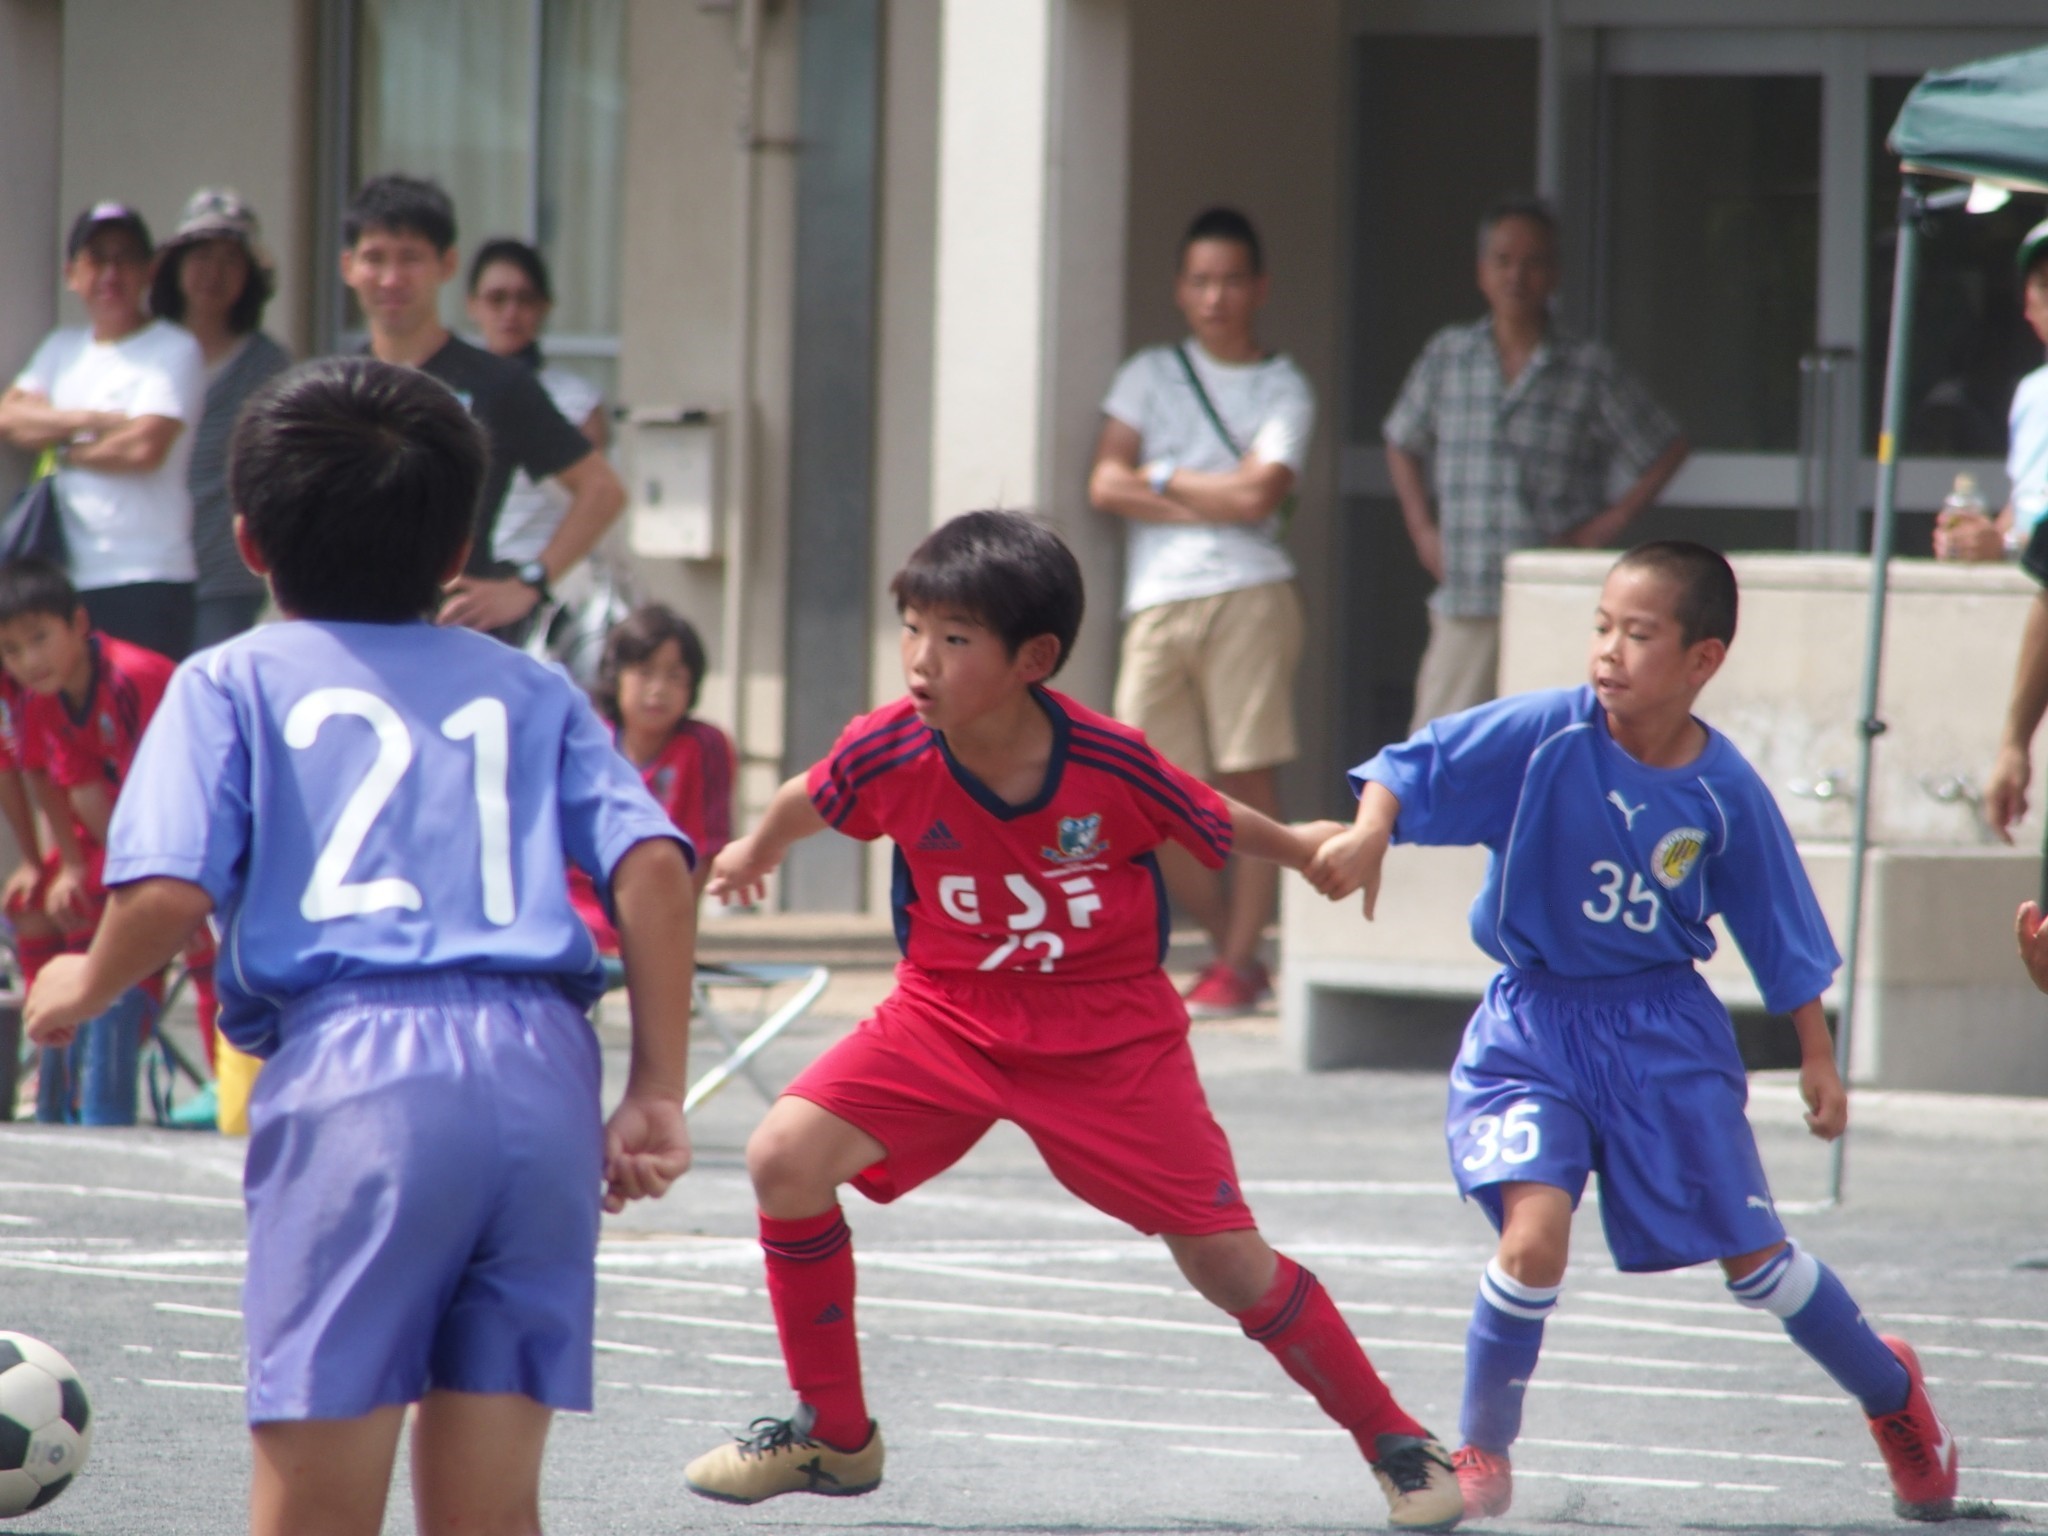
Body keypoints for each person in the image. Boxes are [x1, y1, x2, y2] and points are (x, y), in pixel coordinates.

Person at [679, 510, 1463, 1531]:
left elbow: (1213, 817)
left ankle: (1396, 1441)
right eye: (912, 627)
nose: (920, 659)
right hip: (946, 1015)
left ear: (1031, 658)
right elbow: (810, 795)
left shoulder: (1108, 761)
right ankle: (833, 1437)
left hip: (1108, 1037)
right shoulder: (886, 749)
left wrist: (1311, 846)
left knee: (1228, 1262)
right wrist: (756, 849)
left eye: (953, 639)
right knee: (783, 1154)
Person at [22, 356, 696, 1536]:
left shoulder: (223, 683)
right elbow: (653, 865)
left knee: (314, 1509)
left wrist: (85, 977)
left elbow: (170, 893)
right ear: (453, 555)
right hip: (542, 1076)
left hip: (357, 1078)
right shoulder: (530, 689)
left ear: (248, 539)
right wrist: (656, 1088)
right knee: (490, 1513)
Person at [1307, 542, 1960, 1524]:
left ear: (1701, 660)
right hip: (1530, 1024)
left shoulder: (1721, 791)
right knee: (1533, 1239)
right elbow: (1412, 766)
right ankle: (1479, 1449)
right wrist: (1367, 834)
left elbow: (1777, 925)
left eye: (1637, 634)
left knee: (1758, 1269)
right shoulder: (1544, 733)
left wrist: (1815, 1058)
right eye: (1600, 626)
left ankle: (1890, 1395)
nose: (1608, 651)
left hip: (1662, 1035)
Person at [1088, 207, 1310, 1017]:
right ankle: (1229, 949)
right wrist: (1207, 494)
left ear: (1259, 289)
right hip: (1157, 599)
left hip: (1251, 592)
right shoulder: (1149, 372)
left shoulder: (1283, 384)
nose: (1216, 296)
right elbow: (1103, 482)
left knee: (1247, 780)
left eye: (1231, 281)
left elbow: (1263, 492)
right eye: (1201, 280)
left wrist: (1162, 477)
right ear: (1182, 290)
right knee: (1142, 788)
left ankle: (1242, 957)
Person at [1385, 195, 1689, 732]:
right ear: (1482, 272)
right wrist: (1420, 527)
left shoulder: (1587, 366)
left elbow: (1663, 446)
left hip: (1553, 594)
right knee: (1439, 746)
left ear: (1554, 273)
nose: (1517, 276)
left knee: (1550, 744)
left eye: (1533, 262)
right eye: (1503, 261)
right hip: (1466, 589)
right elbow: (1401, 439)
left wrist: (1610, 524)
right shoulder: (1449, 355)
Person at [338, 174, 624, 641]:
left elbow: (602, 490)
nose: (391, 278)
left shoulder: (496, 382)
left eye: (411, 258)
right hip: (351, 631)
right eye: (374, 258)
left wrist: (529, 583)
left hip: (458, 636)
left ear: (446, 264)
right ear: (348, 266)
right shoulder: (333, 387)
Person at [0, 558, 175, 1124]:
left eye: (40, 639)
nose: (30, 661)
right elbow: (57, 783)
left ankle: (222, 1080)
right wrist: (62, 866)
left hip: (174, 836)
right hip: (120, 837)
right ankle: (59, 1066)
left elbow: (176, 783)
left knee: (117, 907)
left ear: (79, 623)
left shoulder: (132, 676)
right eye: (12, 651)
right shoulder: (40, 696)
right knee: (39, 901)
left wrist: (137, 875)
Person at [0, 202, 205, 659]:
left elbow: (142, 448)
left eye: (126, 258)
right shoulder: (61, 348)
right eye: (97, 258)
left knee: (144, 724)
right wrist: (92, 423)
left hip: (147, 575)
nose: (111, 273)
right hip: (65, 581)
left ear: (150, 271)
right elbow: (9, 418)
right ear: (72, 273)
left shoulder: (173, 348)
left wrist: (60, 445)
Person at [149, 188, 292, 649]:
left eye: (231, 259)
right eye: (202, 255)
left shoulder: (267, 365)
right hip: (144, 567)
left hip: (229, 581)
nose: (214, 272)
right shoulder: (145, 351)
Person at [569, 603, 735, 950]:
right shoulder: (587, 741)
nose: (658, 689)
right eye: (644, 672)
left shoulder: (703, 747)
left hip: (654, 914)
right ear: (615, 676)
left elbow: (703, 851)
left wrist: (671, 934)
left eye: (675, 677)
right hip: (578, 909)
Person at [465, 237, 610, 577]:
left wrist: (537, 578)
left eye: (524, 299)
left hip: (539, 580)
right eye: (496, 299)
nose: (510, 313)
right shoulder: (453, 392)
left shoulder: (577, 401)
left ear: (544, 306)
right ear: (472, 305)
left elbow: (596, 494)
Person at [1935, 217, 2048, 563]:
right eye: (2047, 284)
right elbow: (2027, 500)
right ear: (2028, 303)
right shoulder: (2033, 391)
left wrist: (2006, 547)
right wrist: (1976, 539)